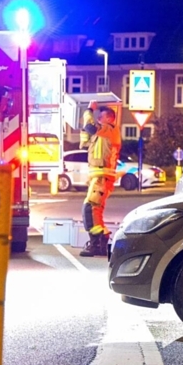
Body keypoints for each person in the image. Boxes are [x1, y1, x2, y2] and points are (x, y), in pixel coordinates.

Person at [80, 106, 122, 258]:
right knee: (95, 211)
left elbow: (91, 127)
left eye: (101, 117)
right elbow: (84, 142)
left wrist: (89, 110)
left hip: (102, 177)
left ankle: (95, 244)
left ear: (109, 119)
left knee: (89, 208)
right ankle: (101, 241)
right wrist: (84, 129)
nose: (98, 119)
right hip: (98, 178)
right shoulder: (102, 134)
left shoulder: (110, 130)